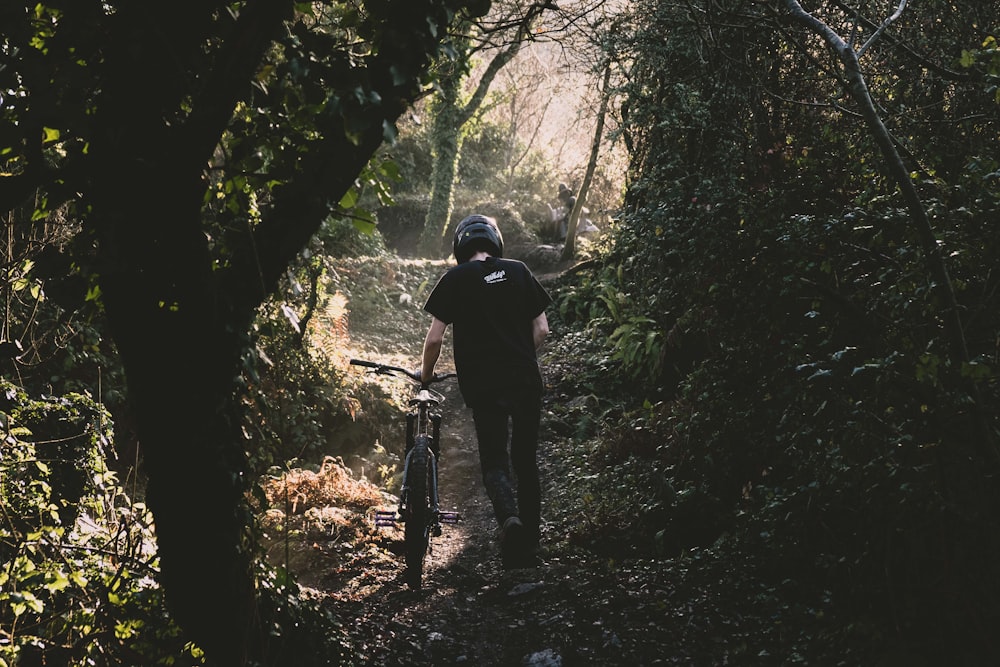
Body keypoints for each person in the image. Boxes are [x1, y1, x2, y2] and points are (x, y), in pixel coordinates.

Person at [420, 214, 551, 568]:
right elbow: (542, 329)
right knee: (525, 461)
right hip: (524, 379)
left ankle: (510, 520)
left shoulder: (455, 278)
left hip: (484, 383)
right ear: (495, 241)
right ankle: (530, 548)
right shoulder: (519, 270)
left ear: (461, 246)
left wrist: (425, 376)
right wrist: (521, 358)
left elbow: (434, 338)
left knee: (495, 461)